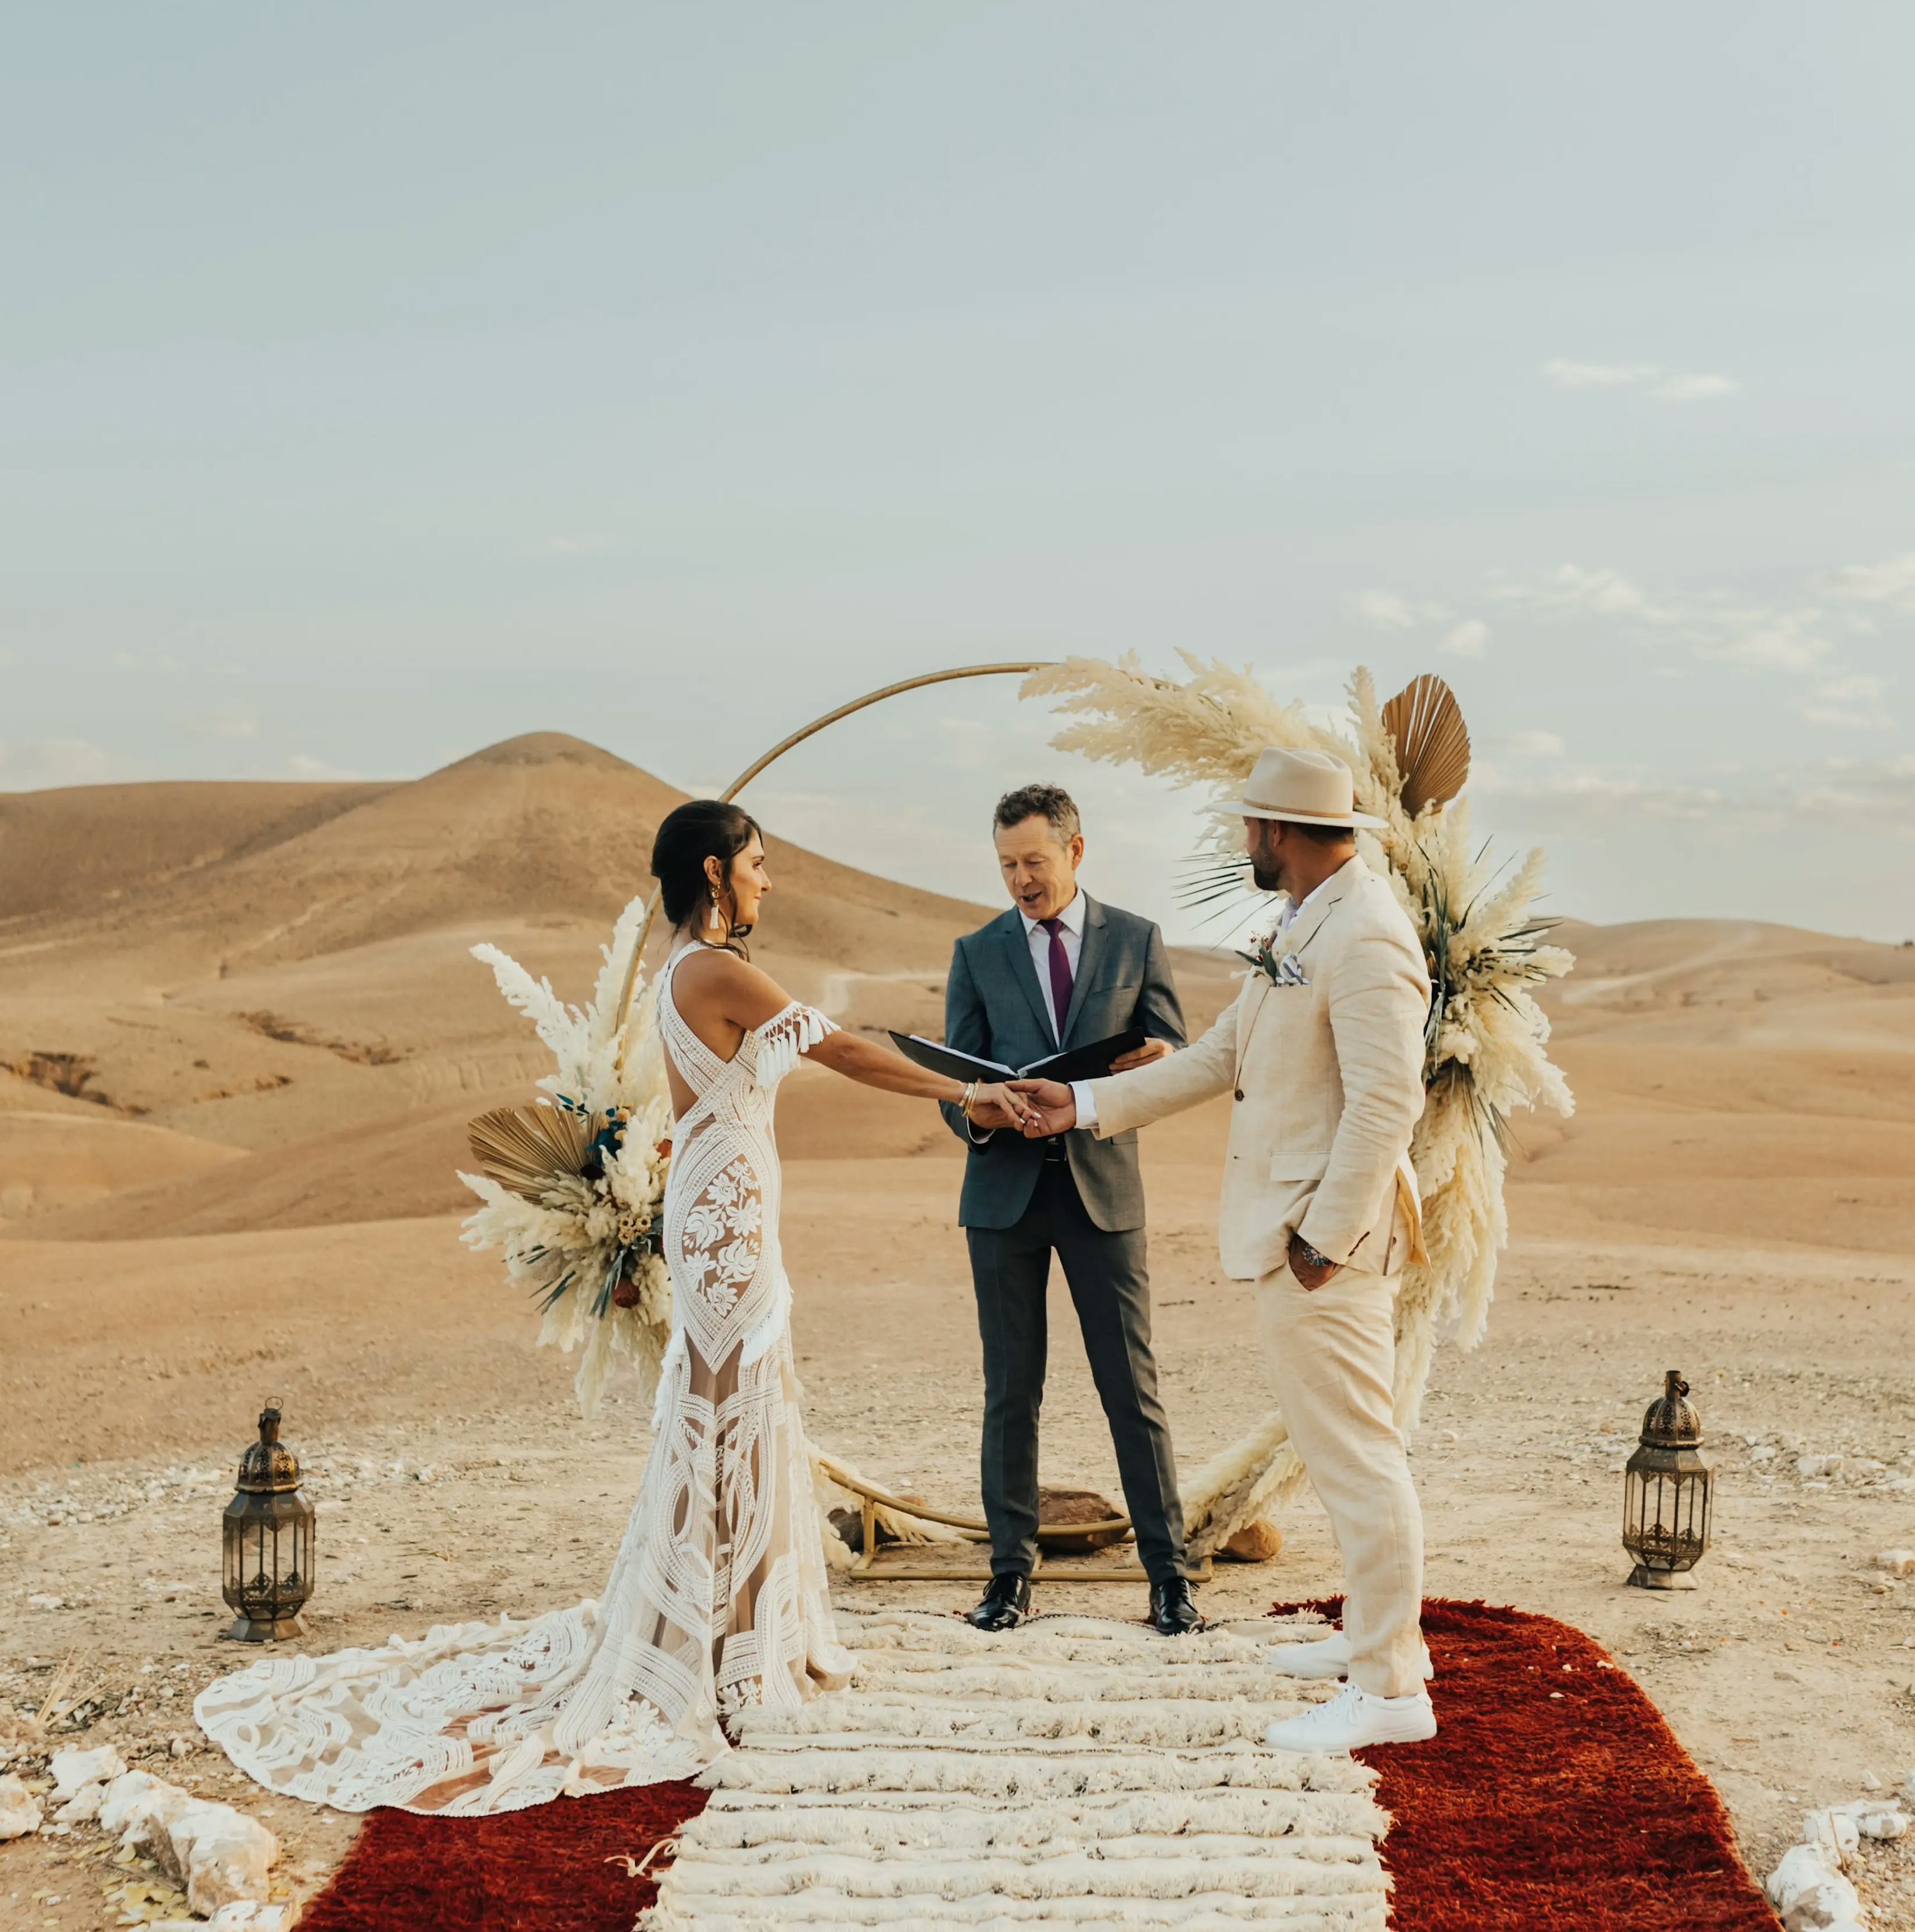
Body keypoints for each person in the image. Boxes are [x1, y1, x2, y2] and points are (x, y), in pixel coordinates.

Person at [192, 801, 996, 1817]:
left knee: (738, 1404)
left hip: (726, 1199)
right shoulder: (712, 969)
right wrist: (966, 1095)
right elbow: (840, 1049)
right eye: (757, 863)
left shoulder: (680, 966)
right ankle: (737, 1656)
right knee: (734, 1408)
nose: (767, 880)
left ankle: (733, 1633)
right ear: (715, 871)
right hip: (728, 1217)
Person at [1009, 747, 1437, 1754]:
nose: (1242, 840)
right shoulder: (1305, 922)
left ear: (1277, 832)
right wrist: (1075, 1105)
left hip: (1320, 1241)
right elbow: (1217, 1059)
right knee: (1340, 1451)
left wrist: (1324, 1239)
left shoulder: (1367, 936)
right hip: (1293, 1234)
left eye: (1249, 825)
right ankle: (1376, 1644)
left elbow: (1387, 1104)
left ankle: (1388, 1691)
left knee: (1361, 1457)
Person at [939, 784, 1203, 1639]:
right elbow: (954, 1085)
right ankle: (1011, 1576)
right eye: (1009, 864)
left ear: (1076, 851)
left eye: (1035, 862)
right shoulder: (975, 951)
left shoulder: (1137, 940)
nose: (1022, 879)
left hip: (1103, 1191)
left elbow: (1176, 1059)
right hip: (1003, 1197)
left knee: (1133, 1387)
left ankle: (1169, 1579)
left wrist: (1147, 1066)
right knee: (1010, 1391)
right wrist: (976, 1107)